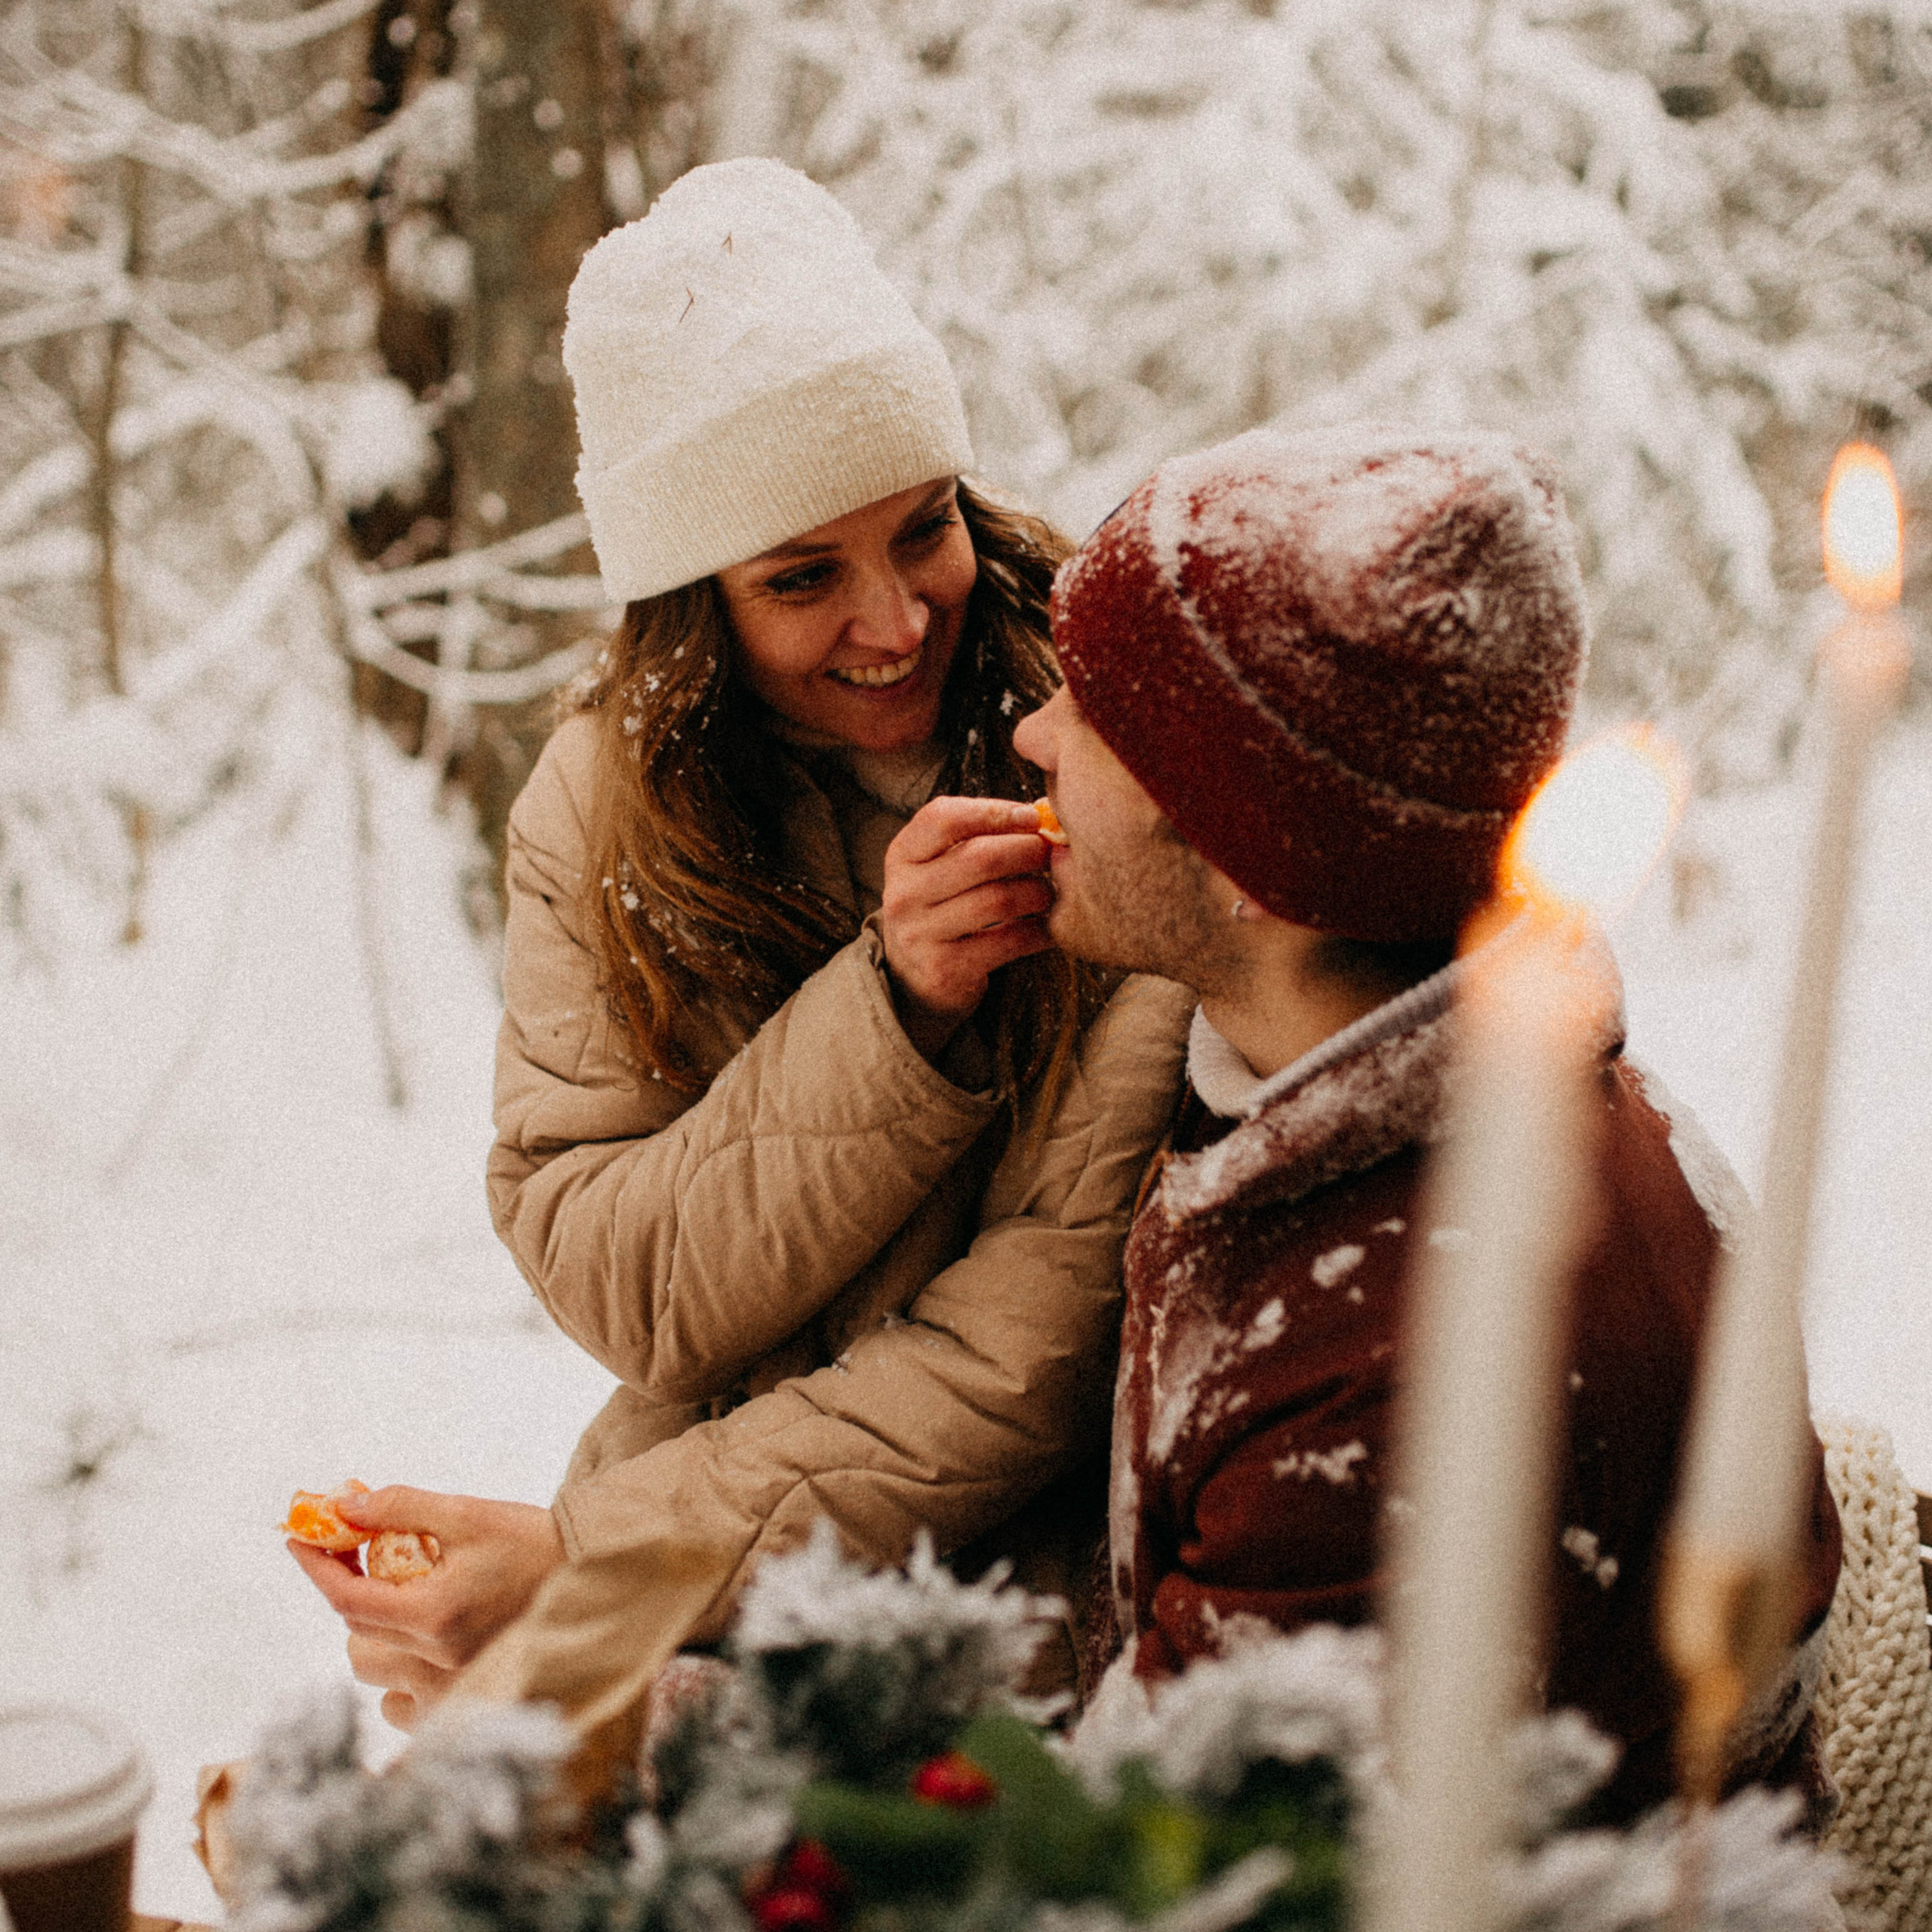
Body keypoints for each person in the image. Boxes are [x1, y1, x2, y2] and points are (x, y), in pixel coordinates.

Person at [289, 158, 1192, 1736]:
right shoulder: (601, 810)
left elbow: (1027, 1351)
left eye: (922, 531)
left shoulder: (1093, 758)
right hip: (694, 1528)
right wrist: (892, 1011)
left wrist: (585, 1561)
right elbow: (621, 1273)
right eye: (798, 577)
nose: (896, 619)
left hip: (992, 1603)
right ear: (691, 603)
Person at [1011, 423, 1843, 1823]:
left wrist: (672, 1713)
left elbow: (1123, 1861)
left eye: (1096, 715)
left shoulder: (1389, 1369)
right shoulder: (1364, 1124)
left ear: (1249, 862)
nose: (1033, 736)